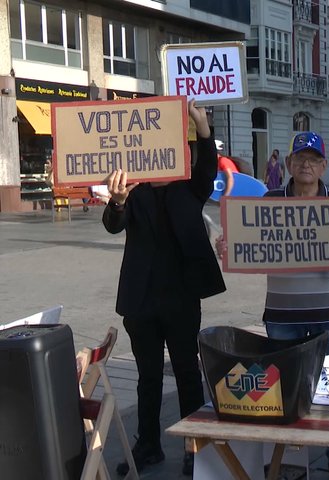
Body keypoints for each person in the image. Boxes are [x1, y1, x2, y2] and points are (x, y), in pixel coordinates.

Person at [215, 131, 329, 475]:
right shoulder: (269, 200)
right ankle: (286, 453)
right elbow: (251, 245)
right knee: (282, 386)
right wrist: (230, 248)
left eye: (313, 159)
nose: (306, 164)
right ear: (290, 163)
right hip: (283, 311)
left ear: (324, 165)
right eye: (300, 158)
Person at [102, 100, 225, 476]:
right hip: (141, 302)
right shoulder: (133, 192)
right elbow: (112, 224)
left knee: (188, 372)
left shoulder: (190, 188)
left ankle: (193, 447)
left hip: (181, 298)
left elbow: (208, 166)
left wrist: (203, 129)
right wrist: (118, 201)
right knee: (148, 376)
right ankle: (149, 444)